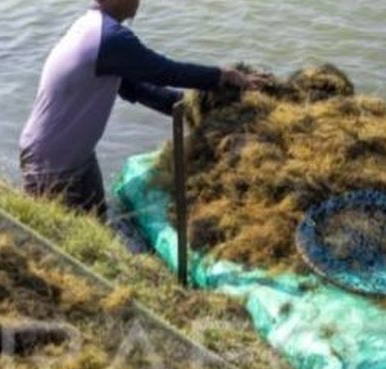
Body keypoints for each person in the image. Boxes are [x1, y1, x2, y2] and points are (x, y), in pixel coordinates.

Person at [19, 0, 266, 217]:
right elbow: (164, 71)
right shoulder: (110, 37)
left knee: (97, 225)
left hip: (77, 155)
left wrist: (189, 107)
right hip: (51, 164)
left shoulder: (92, 28)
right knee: (63, 245)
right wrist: (224, 76)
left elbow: (133, 88)